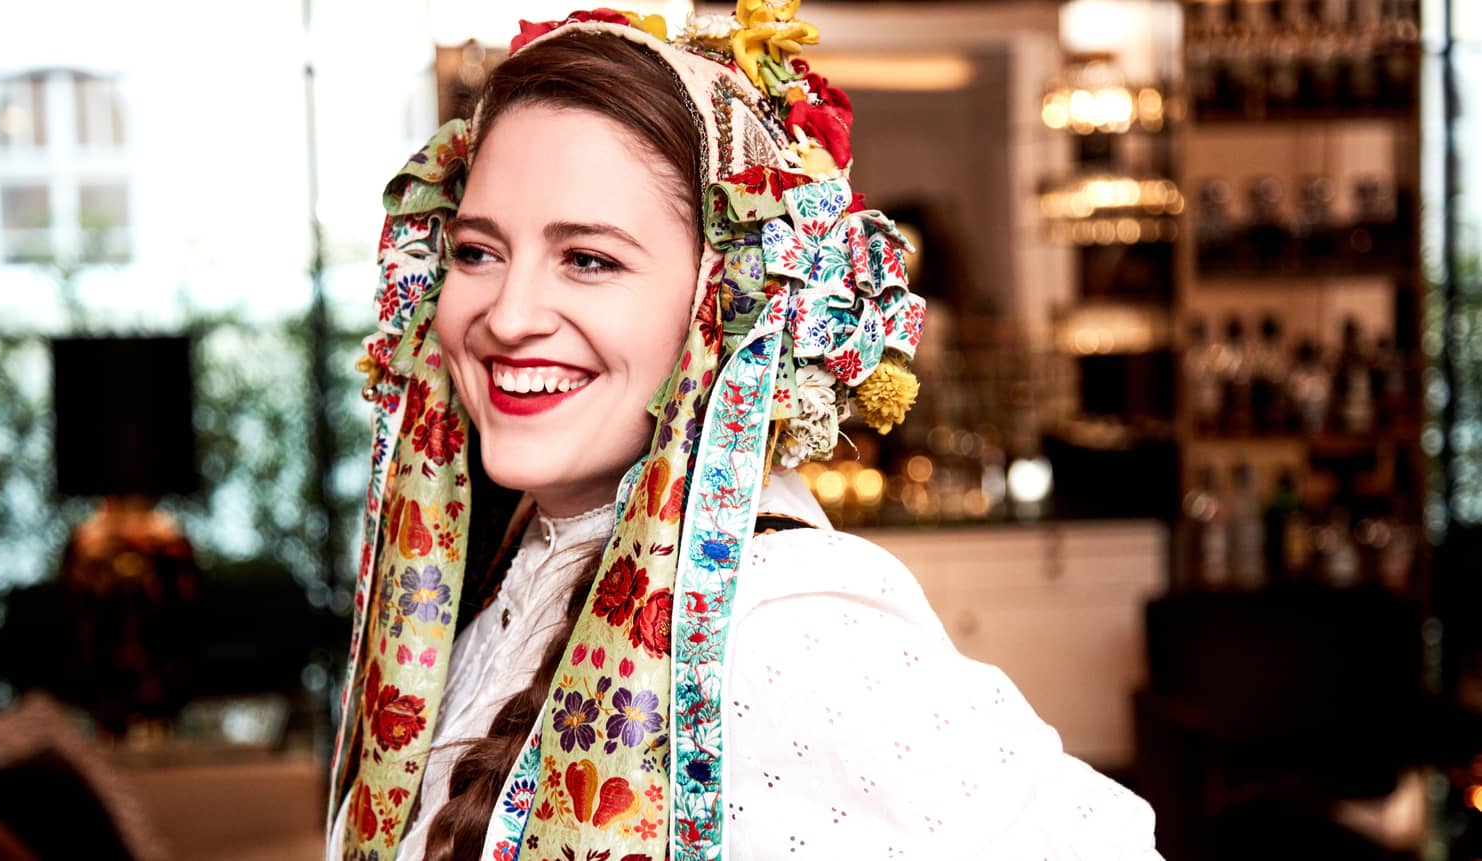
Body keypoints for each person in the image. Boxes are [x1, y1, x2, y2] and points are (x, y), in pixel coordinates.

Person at [328, 4, 1163, 860]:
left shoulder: (785, 625)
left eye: (589, 259)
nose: (507, 316)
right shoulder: (518, 560)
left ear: (722, 306)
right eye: (478, 250)